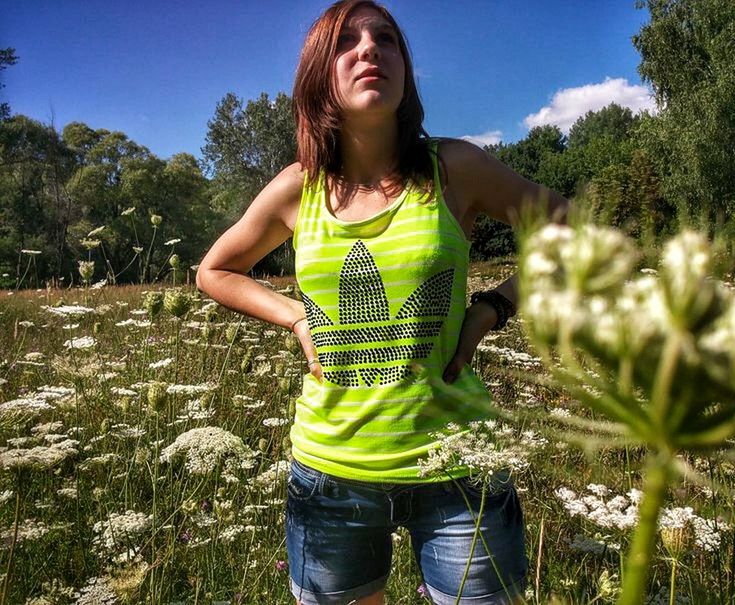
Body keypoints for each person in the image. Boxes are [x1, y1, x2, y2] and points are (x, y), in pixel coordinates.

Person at [196, 1, 569, 603]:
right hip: (331, 473)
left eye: (386, 39)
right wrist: (296, 318)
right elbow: (215, 270)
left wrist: (494, 307)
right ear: (322, 74)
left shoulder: (455, 167)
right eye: (347, 41)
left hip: (458, 466)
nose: (369, 49)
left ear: (406, 71)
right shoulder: (299, 187)